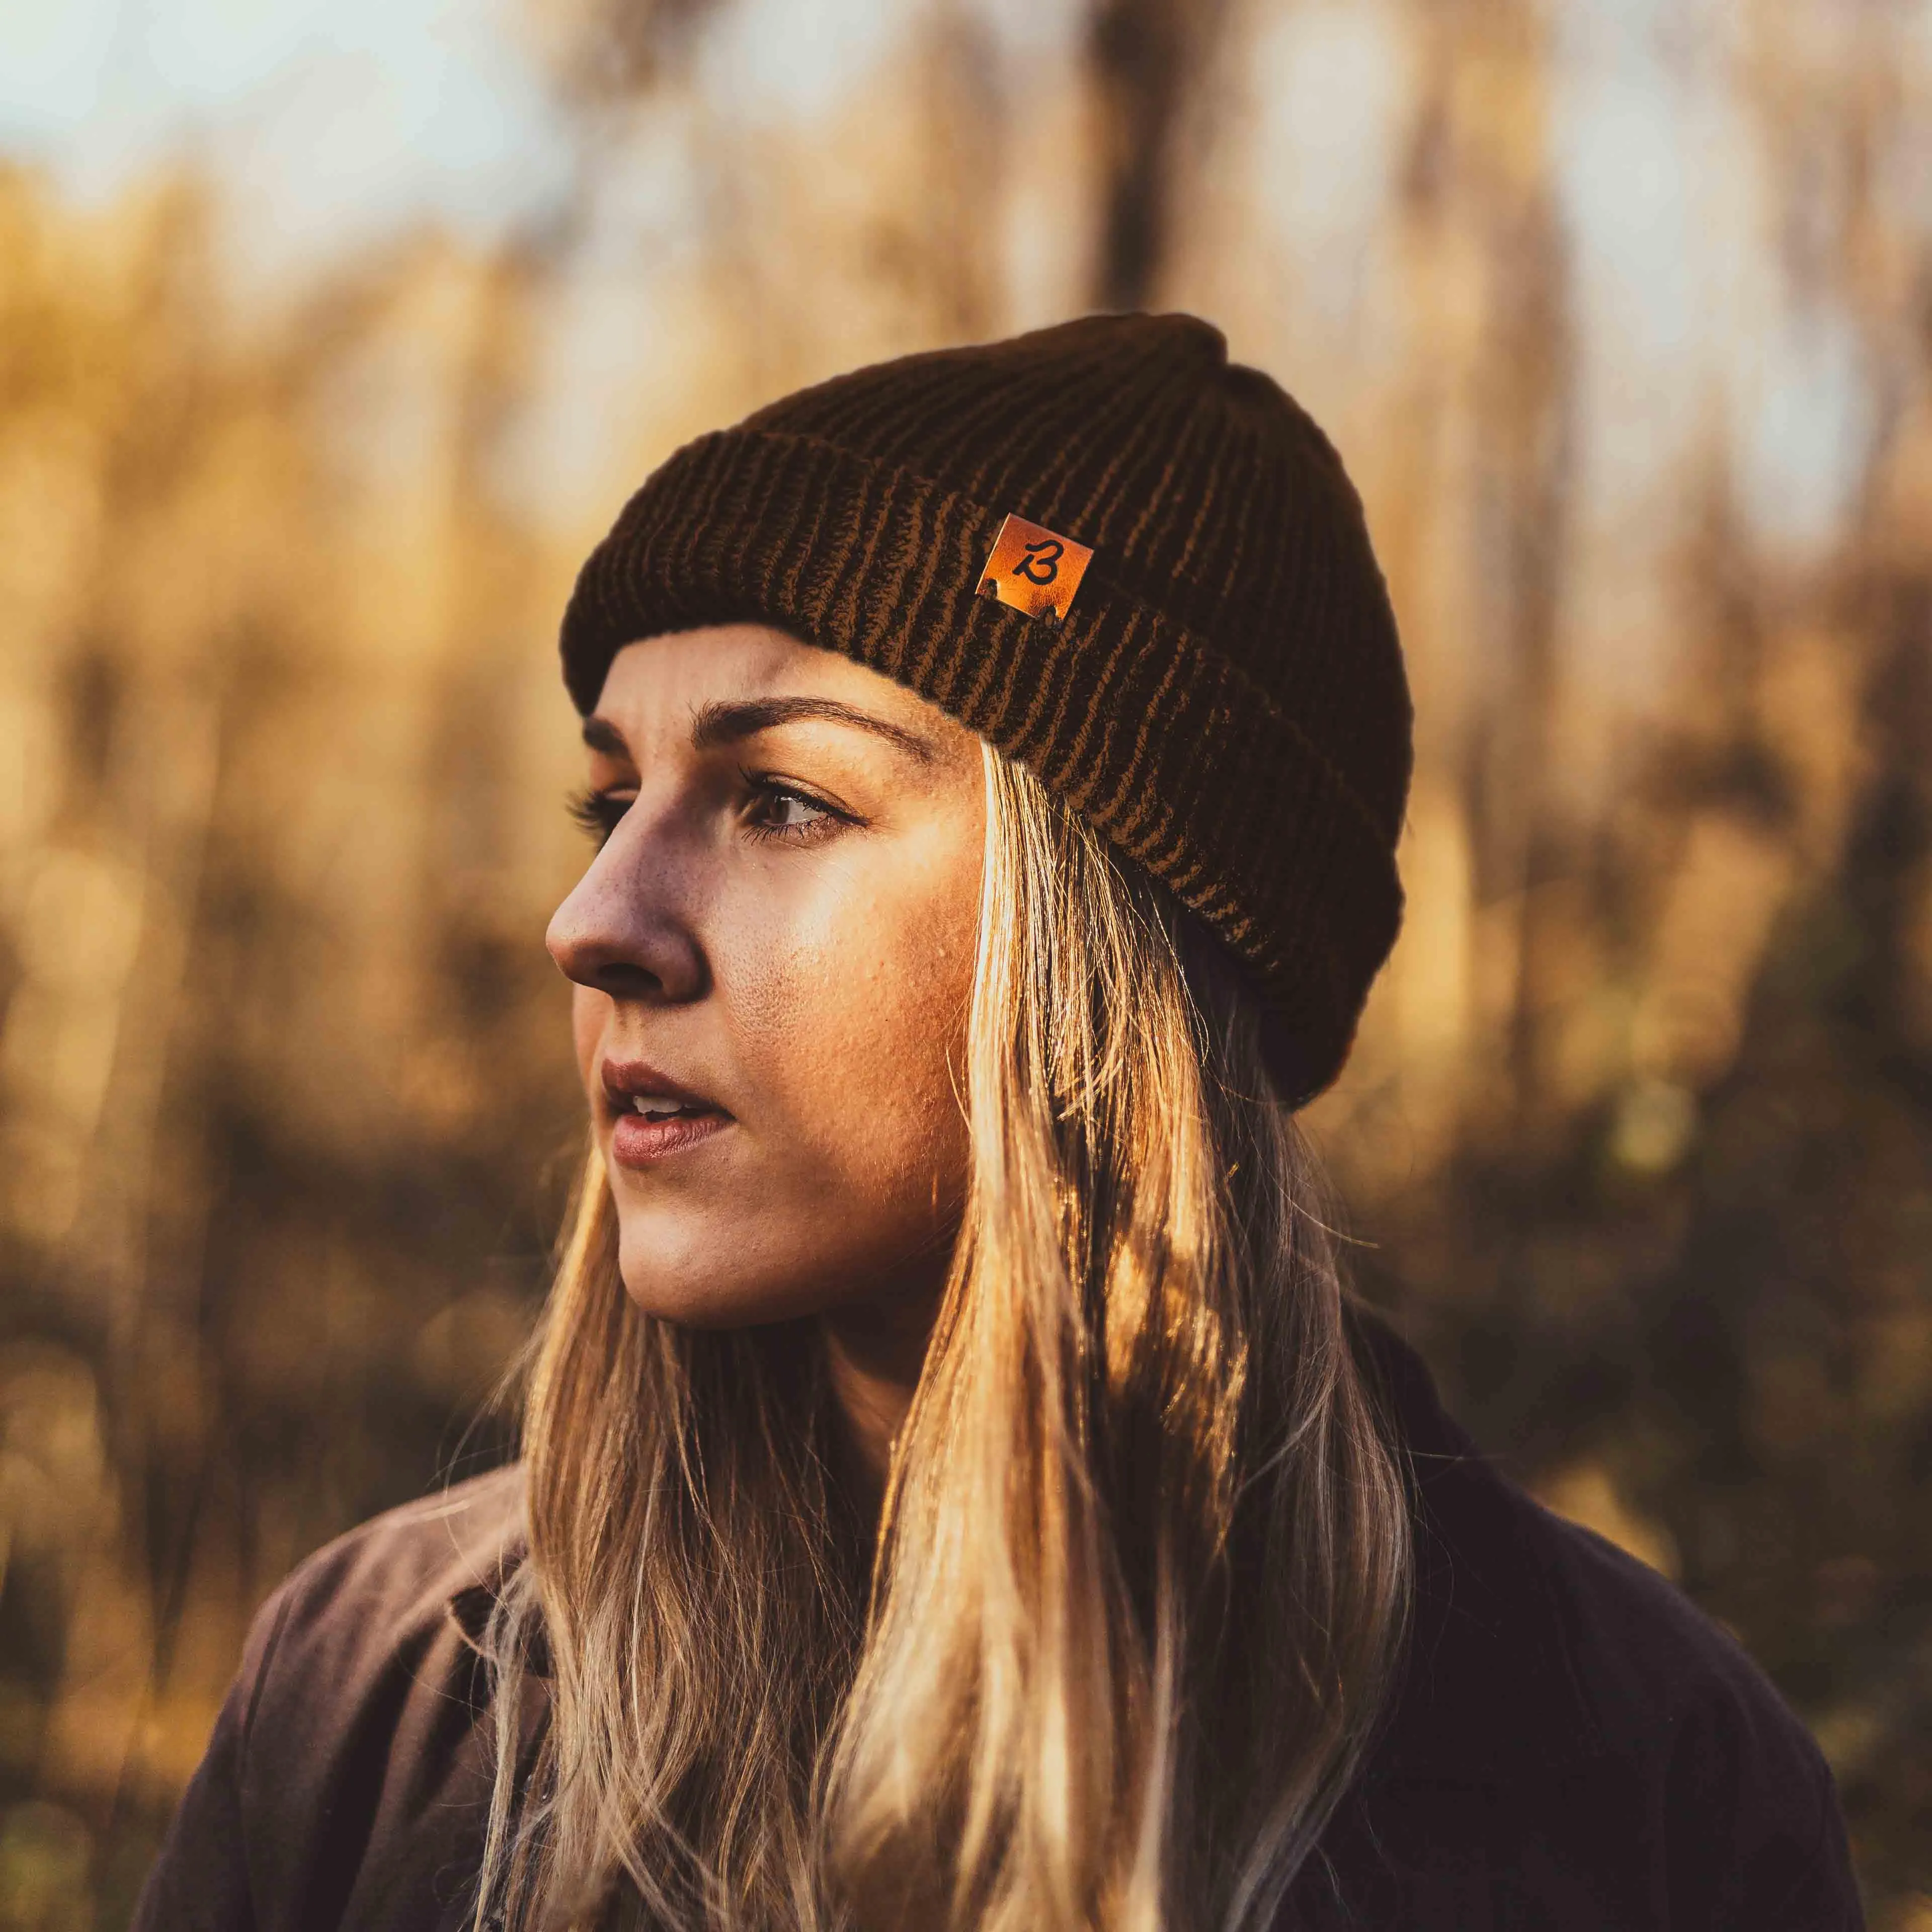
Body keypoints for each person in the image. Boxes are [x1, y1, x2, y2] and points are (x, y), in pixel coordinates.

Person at [132, 313, 1862, 1932]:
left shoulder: (1636, 1783)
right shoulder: (383, 1695)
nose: (591, 920)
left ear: (1121, 955)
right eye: (610, 797)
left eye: (786, 800)